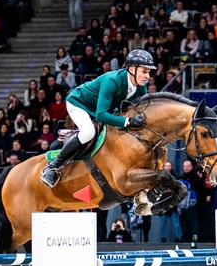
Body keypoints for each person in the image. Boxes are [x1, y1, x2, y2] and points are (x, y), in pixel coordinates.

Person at [41, 49, 154, 187]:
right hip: (79, 103)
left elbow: (142, 108)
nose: (147, 76)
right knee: (89, 132)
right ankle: (53, 166)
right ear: (131, 69)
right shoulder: (111, 81)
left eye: (149, 72)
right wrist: (128, 121)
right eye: (144, 71)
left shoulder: (141, 85)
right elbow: (101, 115)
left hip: (101, 107)